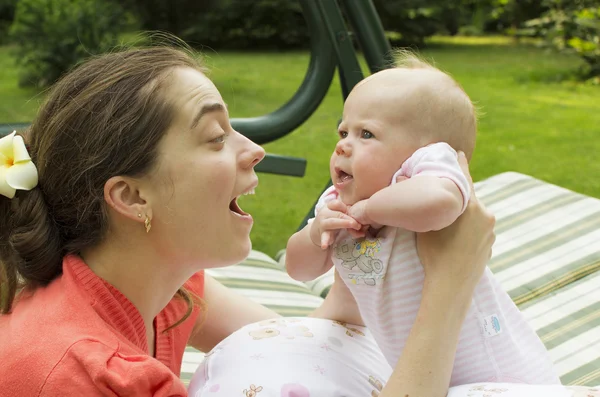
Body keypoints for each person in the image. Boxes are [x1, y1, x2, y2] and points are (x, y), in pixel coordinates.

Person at [0, 43, 495, 397]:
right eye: (216, 137)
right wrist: (450, 286)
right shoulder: (88, 377)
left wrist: (353, 286)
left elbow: (293, 345)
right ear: (131, 197)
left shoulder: (164, 292)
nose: (255, 151)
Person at [286, 53, 559, 386]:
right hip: (423, 374)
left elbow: (442, 202)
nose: (343, 146)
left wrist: (371, 210)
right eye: (344, 131)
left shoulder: (420, 176)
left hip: (500, 374)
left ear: (423, 153)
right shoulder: (338, 203)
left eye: (367, 134)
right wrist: (316, 234)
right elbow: (298, 269)